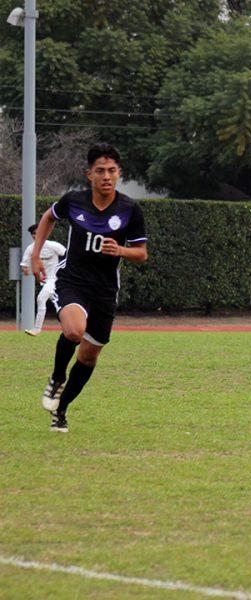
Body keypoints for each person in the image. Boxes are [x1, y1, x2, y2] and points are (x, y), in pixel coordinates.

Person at [30, 143, 148, 432]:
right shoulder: (74, 201)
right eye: (100, 171)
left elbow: (141, 253)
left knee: (88, 357)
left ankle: (62, 409)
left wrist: (120, 250)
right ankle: (57, 377)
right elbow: (48, 218)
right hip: (73, 281)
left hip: (105, 292)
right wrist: (36, 254)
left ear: (118, 174)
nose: (106, 176)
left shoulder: (130, 209)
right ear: (89, 175)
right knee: (73, 330)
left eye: (111, 170)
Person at [20, 223, 66, 336]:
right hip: (45, 282)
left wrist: (62, 271)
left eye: (38, 232)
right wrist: (27, 270)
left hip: (55, 280)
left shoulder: (52, 245)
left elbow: (67, 256)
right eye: (33, 234)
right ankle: (74, 326)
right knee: (61, 305)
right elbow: (25, 267)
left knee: (41, 299)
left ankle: (37, 329)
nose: (36, 236)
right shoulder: (30, 249)